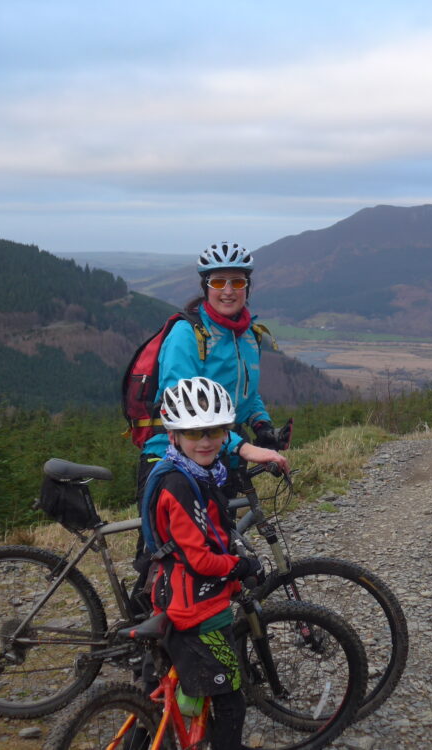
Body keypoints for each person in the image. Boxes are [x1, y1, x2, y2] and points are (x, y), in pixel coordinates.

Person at [145, 376, 262, 750]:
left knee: (184, 686)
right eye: (194, 432)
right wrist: (239, 566)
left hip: (178, 596)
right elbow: (199, 560)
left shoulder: (195, 471)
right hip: (197, 610)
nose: (206, 440)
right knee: (231, 700)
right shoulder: (179, 485)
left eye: (214, 430)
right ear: (174, 434)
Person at [137, 242, 290, 498]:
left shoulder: (250, 335)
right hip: (175, 457)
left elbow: (245, 393)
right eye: (218, 282)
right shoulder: (186, 335)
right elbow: (181, 409)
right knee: (171, 537)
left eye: (237, 282)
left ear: (247, 287)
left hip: (222, 454)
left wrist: (261, 424)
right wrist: (242, 447)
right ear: (206, 287)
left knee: (221, 535)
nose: (228, 291)